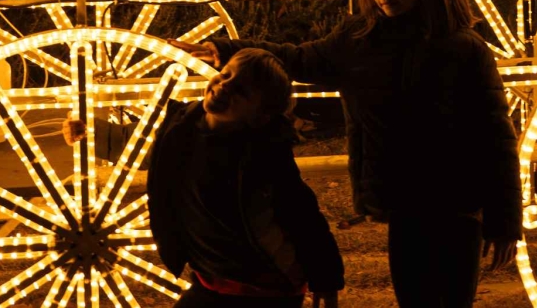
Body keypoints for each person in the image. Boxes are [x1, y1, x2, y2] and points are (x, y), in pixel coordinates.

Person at [178, 0, 521, 308]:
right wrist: (227, 49)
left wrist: (504, 220)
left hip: (456, 208)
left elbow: (495, 136)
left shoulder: (463, 49)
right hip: (405, 206)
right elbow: (299, 57)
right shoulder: (360, 39)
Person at [68, 48, 343, 308]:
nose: (225, 85)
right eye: (226, 75)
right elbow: (132, 143)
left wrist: (326, 279)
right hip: (213, 278)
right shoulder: (179, 127)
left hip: (266, 285)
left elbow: (303, 215)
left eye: (241, 90)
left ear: (261, 117)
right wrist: (89, 130)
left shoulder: (263, 154)